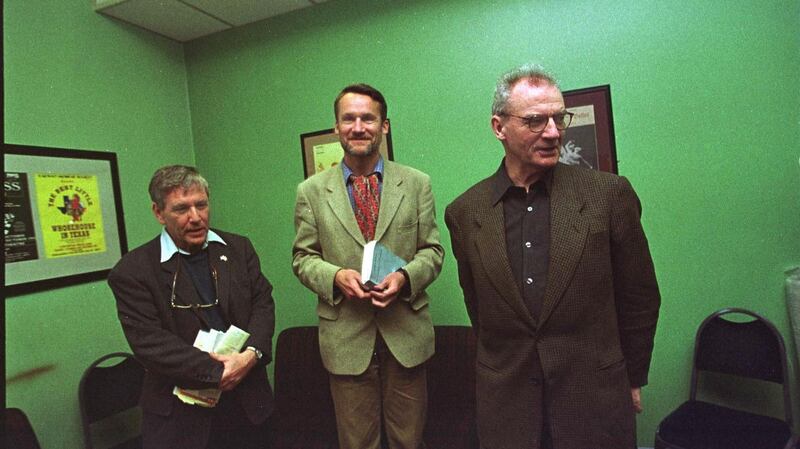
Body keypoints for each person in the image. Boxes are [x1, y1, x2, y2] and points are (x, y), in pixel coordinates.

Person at [444, 64, 661, 449]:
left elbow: (640, 297)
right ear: (499, 128)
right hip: (507, 407)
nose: (553, 132)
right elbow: (479, 306)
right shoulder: (465, 212)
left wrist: (632, 378)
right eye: (535, 121)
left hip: (593, 398)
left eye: (559, 118)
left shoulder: (607, 195)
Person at [292, 84, 444, 449]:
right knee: (357, 443)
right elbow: (302, 259)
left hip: (405, 334)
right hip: (346, 339)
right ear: (337, 127)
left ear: (384, 126)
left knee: (410, 441)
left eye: (368, 118)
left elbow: (433, 252)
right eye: (349, 118)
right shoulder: (310, 191)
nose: (358, 127)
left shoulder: (417, 183)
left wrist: (405, 278)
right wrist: (335, 277)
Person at [108, 165, 275, 449]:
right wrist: (219, 372)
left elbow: (262, 303)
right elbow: (151, 344)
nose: (195, 217)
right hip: (181, 420)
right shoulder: (133, 271)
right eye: (181, 209)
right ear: (159, 213)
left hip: (247, 405)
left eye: (201, 205)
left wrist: (251, 355)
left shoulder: (238, 248)